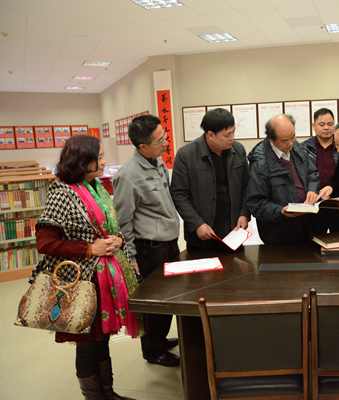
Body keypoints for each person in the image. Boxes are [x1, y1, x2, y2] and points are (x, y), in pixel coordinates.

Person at [31, 135, 141, 400]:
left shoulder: (97, 188)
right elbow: (45, 243)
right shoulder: (62, 192)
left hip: (104, 281)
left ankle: (108, 393)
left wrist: (116, 240)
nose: (104, 162)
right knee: (87, 344)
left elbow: (105, 228)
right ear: (81, 161)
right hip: (81, 284)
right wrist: (90, 249)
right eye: (99, 157)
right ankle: (94, 396)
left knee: (102, 340)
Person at [113, 115, 180, 367]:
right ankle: (153, 351)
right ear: (142, 146)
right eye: (160, 140)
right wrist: (131, 257)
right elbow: (123, 221)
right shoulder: (128, 175)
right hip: (149, 248)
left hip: (169, 242)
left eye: (165, 136)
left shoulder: (157, 160)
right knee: (154, 301)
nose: (166, 143)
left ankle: (159, 339)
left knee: (169, 296)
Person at [170, 108, 250, 250]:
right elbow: (179, 194)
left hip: (234, 233)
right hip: (201, 235)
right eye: (227, 135)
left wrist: (244, 214)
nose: (232, 138)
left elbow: (247, 186)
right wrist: (197, 224)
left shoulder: (238, 150)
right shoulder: (186, 155)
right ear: (211, 135)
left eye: (233, 132)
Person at [246, 114, 319, 244]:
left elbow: (312, 173)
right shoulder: (260, 163)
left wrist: (312, 190)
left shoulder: (296, 148)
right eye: (285, 140)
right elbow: (256, 203)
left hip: (305, 226)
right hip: (278, 233)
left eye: (293, 137)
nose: (290, 143)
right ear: (271, 139)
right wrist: (281, 211)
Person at [301, 108, 339, 235]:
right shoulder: (303, 148)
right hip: (314, 205)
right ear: (314, 126)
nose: (326, 128)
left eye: (330, 124)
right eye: (322, 124)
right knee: (314, 241)